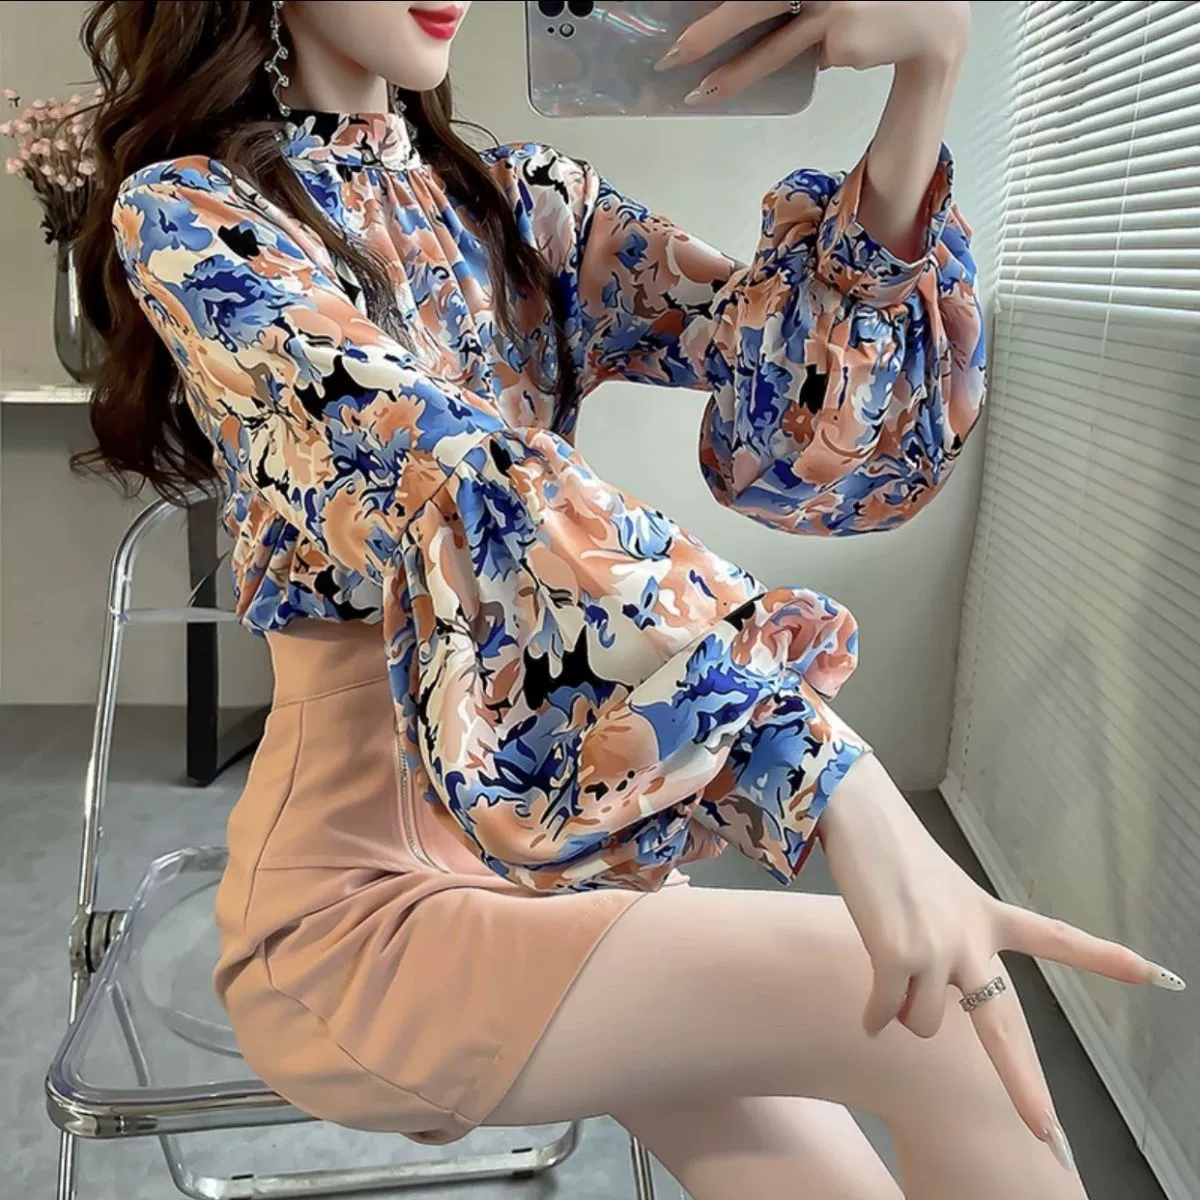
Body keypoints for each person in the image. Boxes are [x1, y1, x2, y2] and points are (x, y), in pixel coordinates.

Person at [73, 2, 1184, 1197]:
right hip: (361, 911)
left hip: (562, 862)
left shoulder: (519, 206)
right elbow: (459, 475)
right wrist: (827, 769)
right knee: (939, 1015)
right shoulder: (191, 217)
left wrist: (928, 75)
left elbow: (794, 403)